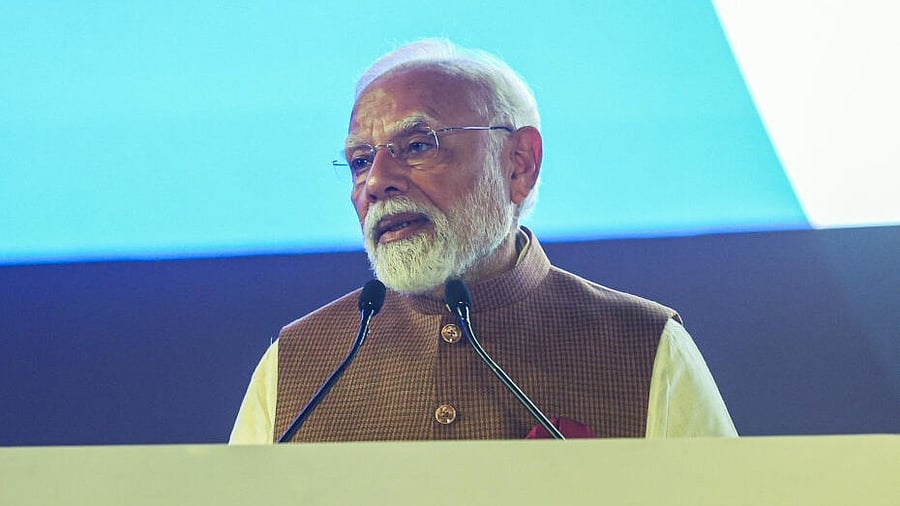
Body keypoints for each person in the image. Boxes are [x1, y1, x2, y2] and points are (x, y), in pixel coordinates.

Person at [230, 39, 737, 443]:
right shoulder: (300, 362)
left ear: (519, 163)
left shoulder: (646, 348)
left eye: (417, 146)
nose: (377, 180)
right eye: (361, 160)